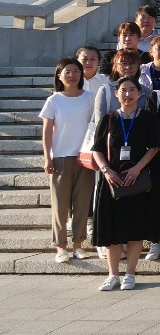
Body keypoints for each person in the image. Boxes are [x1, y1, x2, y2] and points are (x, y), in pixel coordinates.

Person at [92, 76, 160, 291]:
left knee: (135, 228)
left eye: (132, 90)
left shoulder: (147, 118)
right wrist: (106, 170)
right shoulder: (108, 119)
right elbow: (96, 149)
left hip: (136, 180)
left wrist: (138, 168)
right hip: (112, 181)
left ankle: (130, 274)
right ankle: (113, 275)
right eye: (123, 90)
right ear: (116, 93)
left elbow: (154, 147)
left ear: (139, 93)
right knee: (112, 230)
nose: (128, 94)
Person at [41, 58, 95, 263]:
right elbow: (47, 132)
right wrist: (47, 157)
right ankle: (61, 246)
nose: (72, 75)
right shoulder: (54, 100)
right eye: (68, 72)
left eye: (76, 71)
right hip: (60, 157)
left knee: (82, 203)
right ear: (59, 75)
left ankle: (78, 245)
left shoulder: (90, 98)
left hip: (84, 157)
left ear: (81, 75)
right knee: (60, 205)